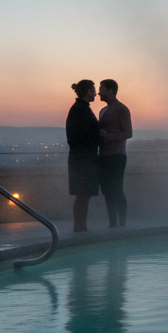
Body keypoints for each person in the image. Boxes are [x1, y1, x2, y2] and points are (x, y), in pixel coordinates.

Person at [97, 78, 133, 227]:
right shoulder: (103, 110)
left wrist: (109, 136)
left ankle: (122, 224)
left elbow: (128, 133)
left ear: (110, 91)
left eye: (102, 89)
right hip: (104, 157)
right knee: (107, 191)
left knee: (117, 190)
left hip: (117, 157)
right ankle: (113, 223)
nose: (99, 92)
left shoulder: (122, 109)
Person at [66, 79, 100, 232]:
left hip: (83, 159)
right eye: (93, 90)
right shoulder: (80, 110)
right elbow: (75, 137)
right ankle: (80, 228)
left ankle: (81, 227)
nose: (95, 93)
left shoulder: (80, 108)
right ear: (87, 92)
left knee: (83, 195)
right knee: (82, 195)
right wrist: (99, 135)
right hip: (82, 160)